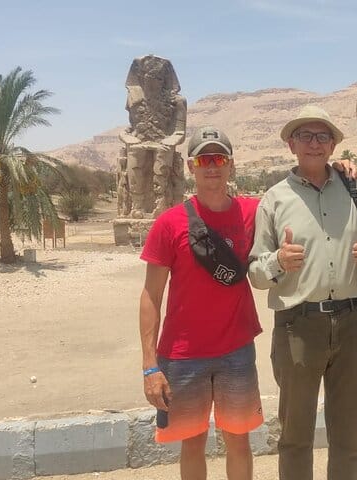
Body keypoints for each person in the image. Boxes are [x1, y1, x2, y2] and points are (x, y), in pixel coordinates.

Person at [248, 105, 357, 480]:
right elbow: (256, 273)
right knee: (295, 434)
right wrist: (278, 261)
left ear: (332, 145)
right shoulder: (274, 199)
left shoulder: (356, 189)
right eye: (305, 136)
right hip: (298, 326)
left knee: (349, 433)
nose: (314, 143)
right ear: (291, 144)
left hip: (353, 321)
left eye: (322, 136)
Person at [139, 126, 263, 480]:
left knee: (238, 440)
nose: (212, 166)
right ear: (191, 166)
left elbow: (296, 197)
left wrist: (340, 169)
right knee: (192, 442)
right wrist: (149, 366)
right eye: (204, 159)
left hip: (236, 350)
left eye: (219, 159)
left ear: (231, 165)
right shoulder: (168, 224)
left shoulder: (252, 212)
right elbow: (151, 296)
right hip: (183, 354)